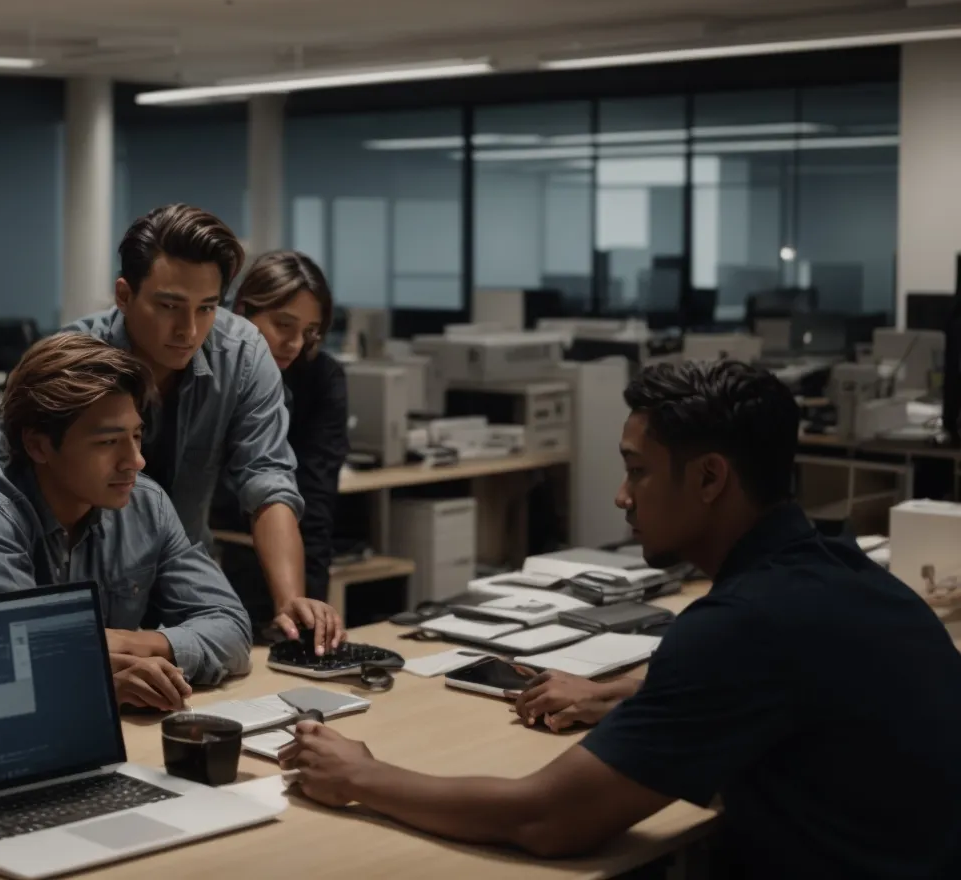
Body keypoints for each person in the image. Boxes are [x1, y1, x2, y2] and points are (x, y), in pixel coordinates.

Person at [281, 360, 961, 875]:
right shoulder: (842, 573)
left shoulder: (744, 625)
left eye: (637, 471)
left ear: (710, 478)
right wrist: (624, 691)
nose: (620, 496)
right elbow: (784, 685)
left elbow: (549, 819)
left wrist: (362, 775)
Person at [0, 204, 342, 650]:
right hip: (66, 586)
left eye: (207, 308)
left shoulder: (243, 354)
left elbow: (267, 479)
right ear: (124, 294)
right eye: (169, 306)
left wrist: (291, 601)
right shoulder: (71, 360)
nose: (188, 330)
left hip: (183, 578)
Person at [0, 333, 252, 712]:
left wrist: (129, 643)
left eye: (137, 436)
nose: (135, 461)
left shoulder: (145, 504)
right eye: (108, 442)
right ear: (38, 445)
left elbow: (231, 627)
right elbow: (29, 662)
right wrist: (95, 674)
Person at [221, 250, 346, 617]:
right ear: (243, 311)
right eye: (283, 325)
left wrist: (308, 596)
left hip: (290, 546)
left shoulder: (321, 377)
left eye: (309, 332)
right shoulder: (216, 368)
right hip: (217, 550)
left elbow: (317, 496)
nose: (295, 343)